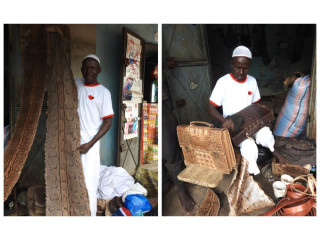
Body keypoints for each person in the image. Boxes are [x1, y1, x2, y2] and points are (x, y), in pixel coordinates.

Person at [208, 46, 275, 175]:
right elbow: (210, 108)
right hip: (235, 124)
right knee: (249, 148)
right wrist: (224, 120)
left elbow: (256, 104)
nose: (241, 72)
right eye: (237, 67)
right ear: (231, 64)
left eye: (245, 68)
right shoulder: (223, 82)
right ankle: (252, 172)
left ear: (249, 66)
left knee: (266, 135)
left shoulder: (252, 81)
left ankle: (274, 151)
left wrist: (262, 109)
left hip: (251, 120)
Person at [75, 54, 114, 216]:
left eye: (92, 67)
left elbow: (108, 122)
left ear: (99, 70)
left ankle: (89, 215)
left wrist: (89, 144)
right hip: (74, 143)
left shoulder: (103, 93)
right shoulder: (77, 84)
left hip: (89, 147)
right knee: (75, 179)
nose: (88, 71)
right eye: (85, 67)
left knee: (89, 183)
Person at [162, 72, 195, 214]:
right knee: (156, 151)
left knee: (172, 153)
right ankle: (165, 182)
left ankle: (181, 191)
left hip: (164, 108)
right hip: (151, 107)